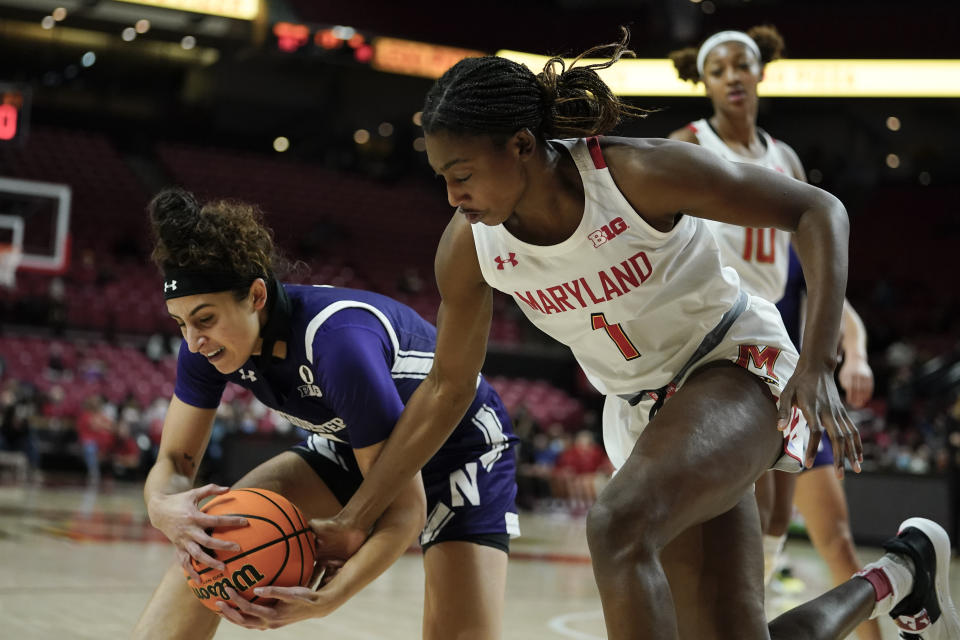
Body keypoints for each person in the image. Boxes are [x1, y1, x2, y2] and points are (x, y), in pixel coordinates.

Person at [307, 29, 959, 640]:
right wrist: (353, 518)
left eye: (463, 173)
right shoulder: (470, 247)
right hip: (644, 412)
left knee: (617, 525)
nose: (452, 196)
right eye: (441, 177)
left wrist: (817, 362)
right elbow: (448, 387)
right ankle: (901, 573)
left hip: (734, 365)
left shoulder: (635, 175)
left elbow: (820, 211)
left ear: (522, 146)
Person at [130, 188, 518, 639]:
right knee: (210, 540)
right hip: (356, 444)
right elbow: (175, 463)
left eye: (204, 319)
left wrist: (329, 599)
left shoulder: (336, 344)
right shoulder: (204, 349)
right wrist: (163, 508)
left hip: (461, 447)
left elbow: (403, 511)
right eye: (181, 323)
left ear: (256, 295)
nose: (193, 340)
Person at [667, 26, 880, 639]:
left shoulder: (783, 159)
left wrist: (852, 348)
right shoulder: (689, 144)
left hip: (777, 339)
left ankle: (747, 613)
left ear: (761, 73)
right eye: (719, 69)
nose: (733, 76)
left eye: (743, 65)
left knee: (783, 508)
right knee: (738, 508)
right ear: (703, 82)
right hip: (711, 340)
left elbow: (816, 274)